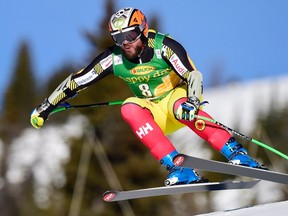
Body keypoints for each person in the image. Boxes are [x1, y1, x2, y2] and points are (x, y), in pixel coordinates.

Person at [30, 7, 265, 186]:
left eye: (130, 35)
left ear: (142, 30)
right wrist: (46, 106)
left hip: (178, 102)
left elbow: (193, 75)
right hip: (153, 113)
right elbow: (77, 80)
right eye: (118, 38)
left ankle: (237, 153)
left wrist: (193, 101)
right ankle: (177, 167)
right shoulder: (113, 58)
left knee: (179, 104)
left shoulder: (164, 46)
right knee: (128, 107)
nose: (125, 43)